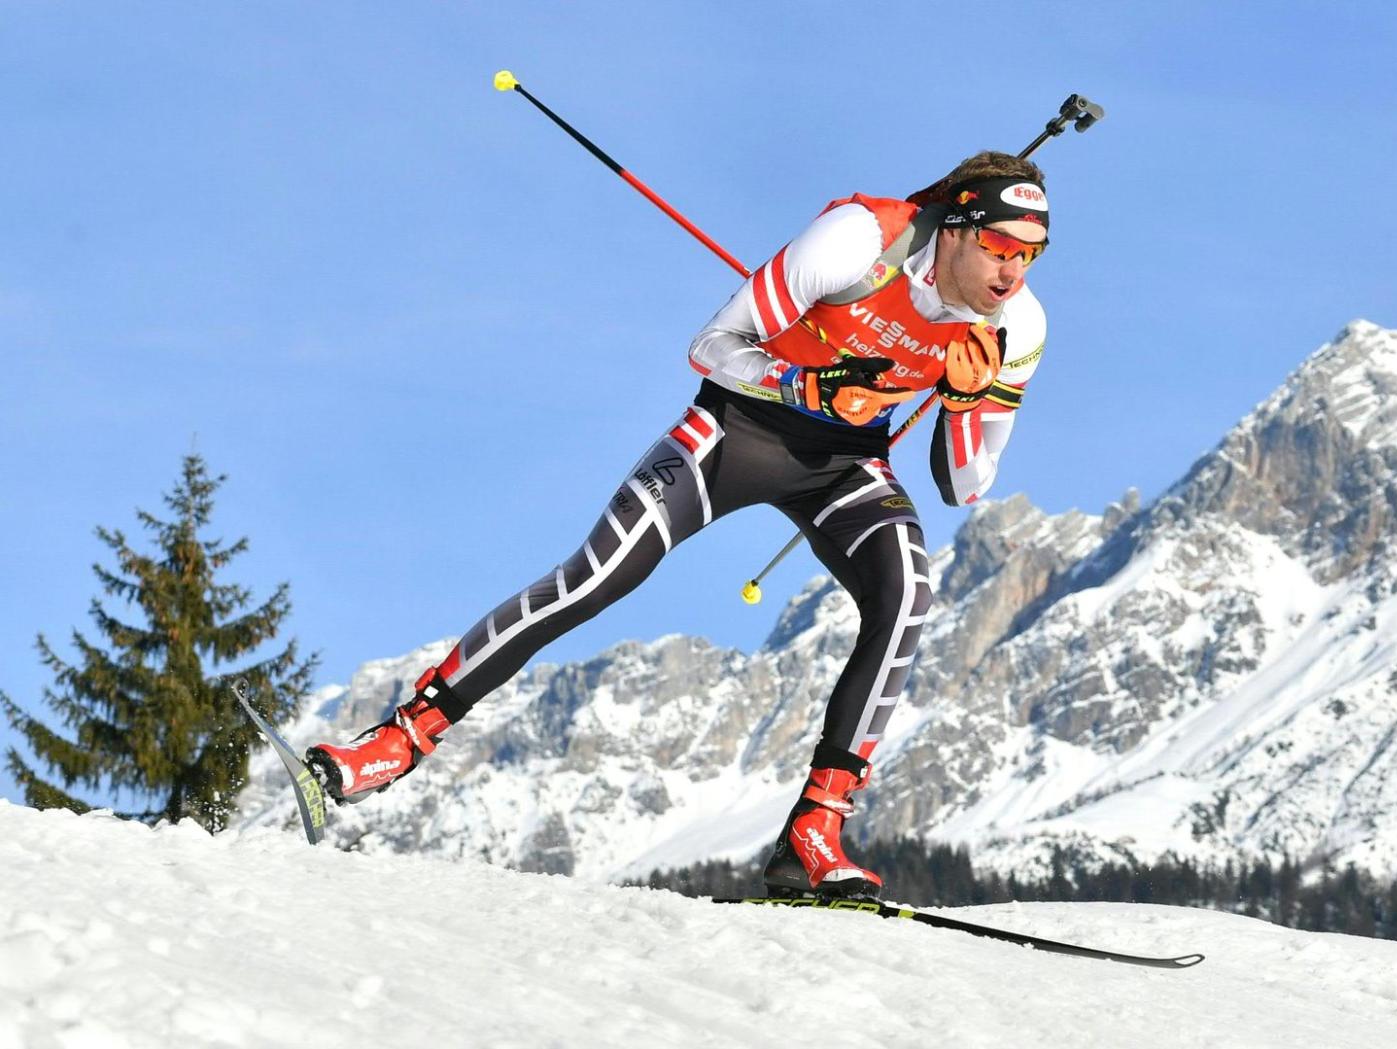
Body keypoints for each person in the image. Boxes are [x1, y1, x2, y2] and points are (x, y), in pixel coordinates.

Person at [305, 150, 1051, 899]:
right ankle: (400, 737)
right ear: (955, 227)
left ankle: (813, 832)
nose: (1013, 272)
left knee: (909, 593)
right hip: (736, 434)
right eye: (1001, 248)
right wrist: (808, 381)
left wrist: (964, 397)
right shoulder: (859, 239)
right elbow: (713, 346)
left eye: (1031, 255)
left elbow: (964, 483)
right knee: (595, 578)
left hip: (845, 465)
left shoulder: (1017, 324)